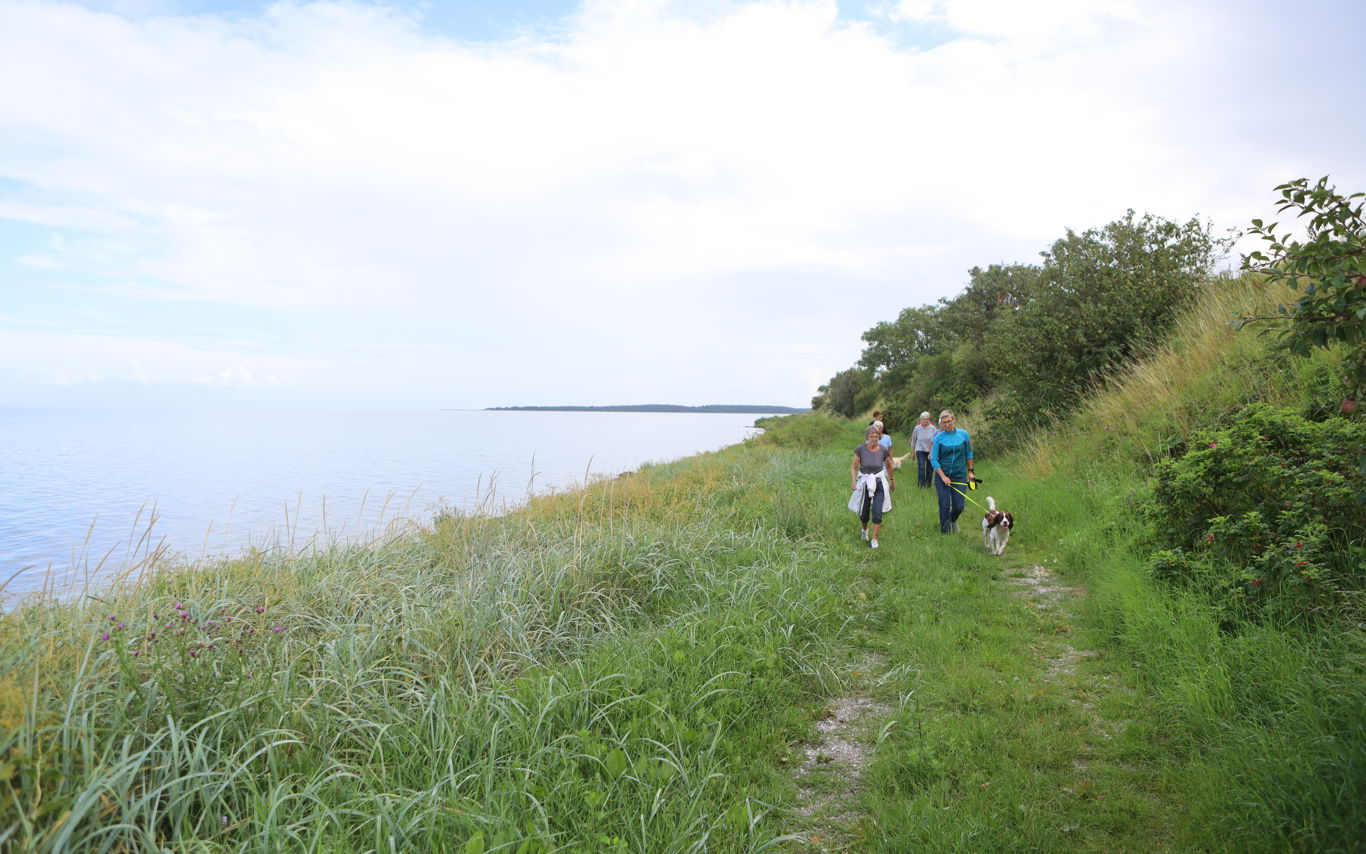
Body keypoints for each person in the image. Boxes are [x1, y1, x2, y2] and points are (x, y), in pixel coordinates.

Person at [849, 425, 895, 548]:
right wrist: (854, 481)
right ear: (867, 437)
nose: (874, 439)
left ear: (879, 437)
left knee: (877, 512)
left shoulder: (883, 449)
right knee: (864, 514)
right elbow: (854, 467)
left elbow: (889, 466)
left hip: (879, 483)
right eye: (872, 436)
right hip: (865, 483)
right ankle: (864, 530)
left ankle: (874, 539)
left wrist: (891, 480)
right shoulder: (861, 449)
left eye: (876, 436)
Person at [930, 409, 973, 533]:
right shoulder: (938, 438)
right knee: (944, 505)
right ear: (941, 424)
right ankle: (945, 532)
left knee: (959, 507)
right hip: (942, 476)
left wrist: (970, 471)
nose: (947, 424)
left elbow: (969, 453)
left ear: (954, 420)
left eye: (949, 421)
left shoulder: (963, 434)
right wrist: (943, 476)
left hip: (959, 475)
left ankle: (952, 520)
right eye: (944, 423)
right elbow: (934, 459)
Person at [910, 411, 938, 488]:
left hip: (930, 451)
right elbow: (913, 440)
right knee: (921, 467)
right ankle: (921, 485)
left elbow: (936, 441)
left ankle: (928, 484)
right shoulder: (917, 428)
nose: (924, 421)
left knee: (929, 468)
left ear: (928, 419)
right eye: (922, 419)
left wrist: (934, 452)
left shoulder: (933, 428)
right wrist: (913, 453)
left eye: (926, 419)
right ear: (920, 420)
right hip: (920, 450)